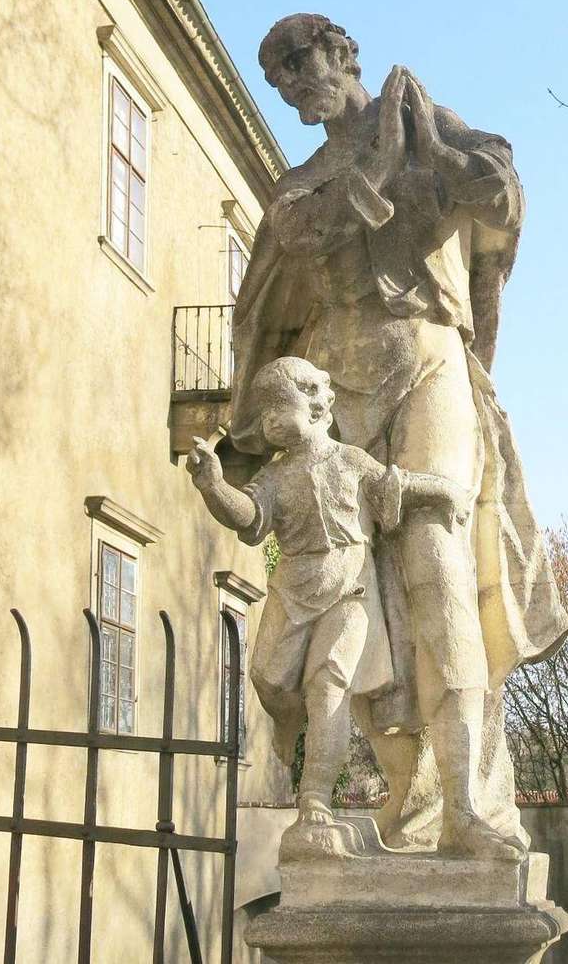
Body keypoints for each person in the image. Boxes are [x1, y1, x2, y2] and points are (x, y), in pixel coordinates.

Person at [227, 14, 568, 857]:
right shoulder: (302, 182)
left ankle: (465, 807)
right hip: (336, 375)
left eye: (300, 61)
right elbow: (301, 236)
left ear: (344, 54)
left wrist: (440, 153)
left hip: (426, 354)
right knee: (357, 586)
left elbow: (500, 195)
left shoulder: (428, 126)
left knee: (434, 557)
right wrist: (382, 158)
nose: (292, 83)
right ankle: (406, 802)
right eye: (277, 77)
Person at [187, 356, 471, 854]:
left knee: (329, 686)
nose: (269, 420)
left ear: (316, 407)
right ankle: (288, 724)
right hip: (294, 586)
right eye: (264, 411)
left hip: (349, 588)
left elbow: (396, 486)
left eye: (278, 407)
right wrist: (213, 485)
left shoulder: (350, 461)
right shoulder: (274, 476)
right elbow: (249, 517)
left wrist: (445, 491)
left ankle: (315, 796)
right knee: (268, 679)